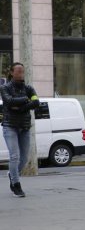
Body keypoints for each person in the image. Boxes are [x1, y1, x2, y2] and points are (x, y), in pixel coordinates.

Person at [0, 62, 39, 197]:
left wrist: (21, 106)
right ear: (12, 73)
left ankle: (12, 174)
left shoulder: (29, 88)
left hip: (25, 127)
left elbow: (36, 102)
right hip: (10, 126)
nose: (21, 73)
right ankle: (16, 185)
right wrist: (26, 100)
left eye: (22, 71)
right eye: (18, 71)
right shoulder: (4, 87)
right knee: (14, 156)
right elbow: (9, 101)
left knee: (24, 159)